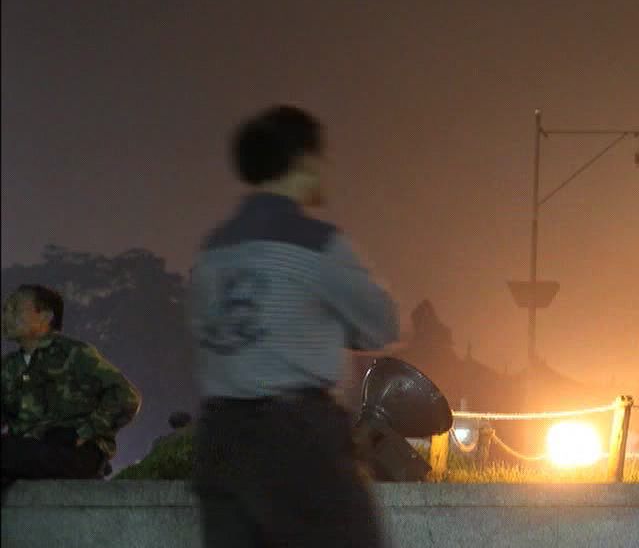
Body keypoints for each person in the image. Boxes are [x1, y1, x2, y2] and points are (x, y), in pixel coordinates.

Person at [188, 105, 399, 547]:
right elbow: (382, 325)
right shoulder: (318, 243)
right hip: (299, 439)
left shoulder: (211, 250)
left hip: (220, 439)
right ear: (304, 161)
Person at [1, 284, 141, 488]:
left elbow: (126, 396)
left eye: (15, 309)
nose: (6, 316)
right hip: (27, 451)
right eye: (5, 310)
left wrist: (84, 432)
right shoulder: (9, 366)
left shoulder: (75, 354)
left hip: (73, 451)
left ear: (46, 316)